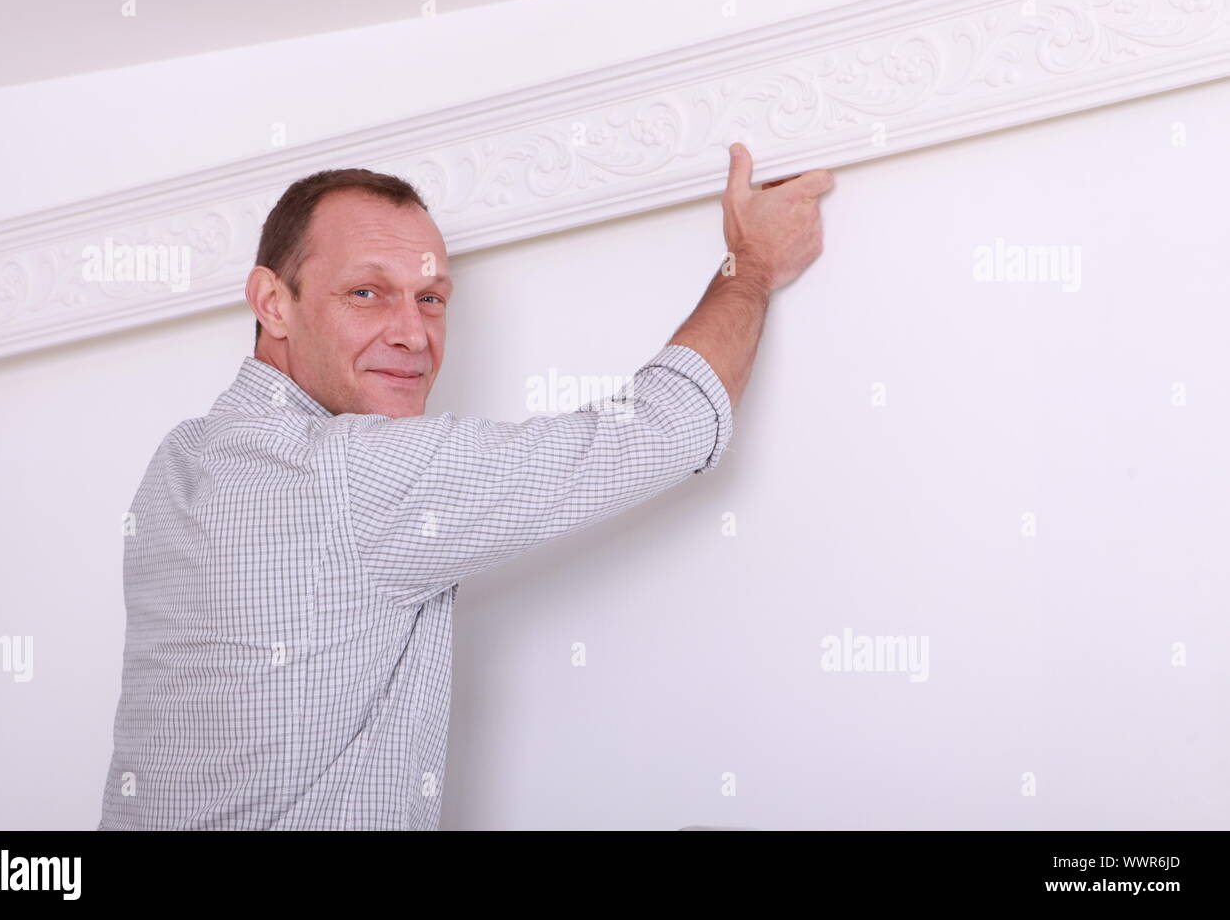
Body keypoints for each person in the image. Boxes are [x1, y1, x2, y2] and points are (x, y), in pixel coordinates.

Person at [97, 142, 833, 829]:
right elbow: (663, 429)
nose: (413, 334)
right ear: (272, 302)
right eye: (366, 292)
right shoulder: (349, 471)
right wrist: (752, 266)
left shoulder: (182, 460)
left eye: (432, 298)